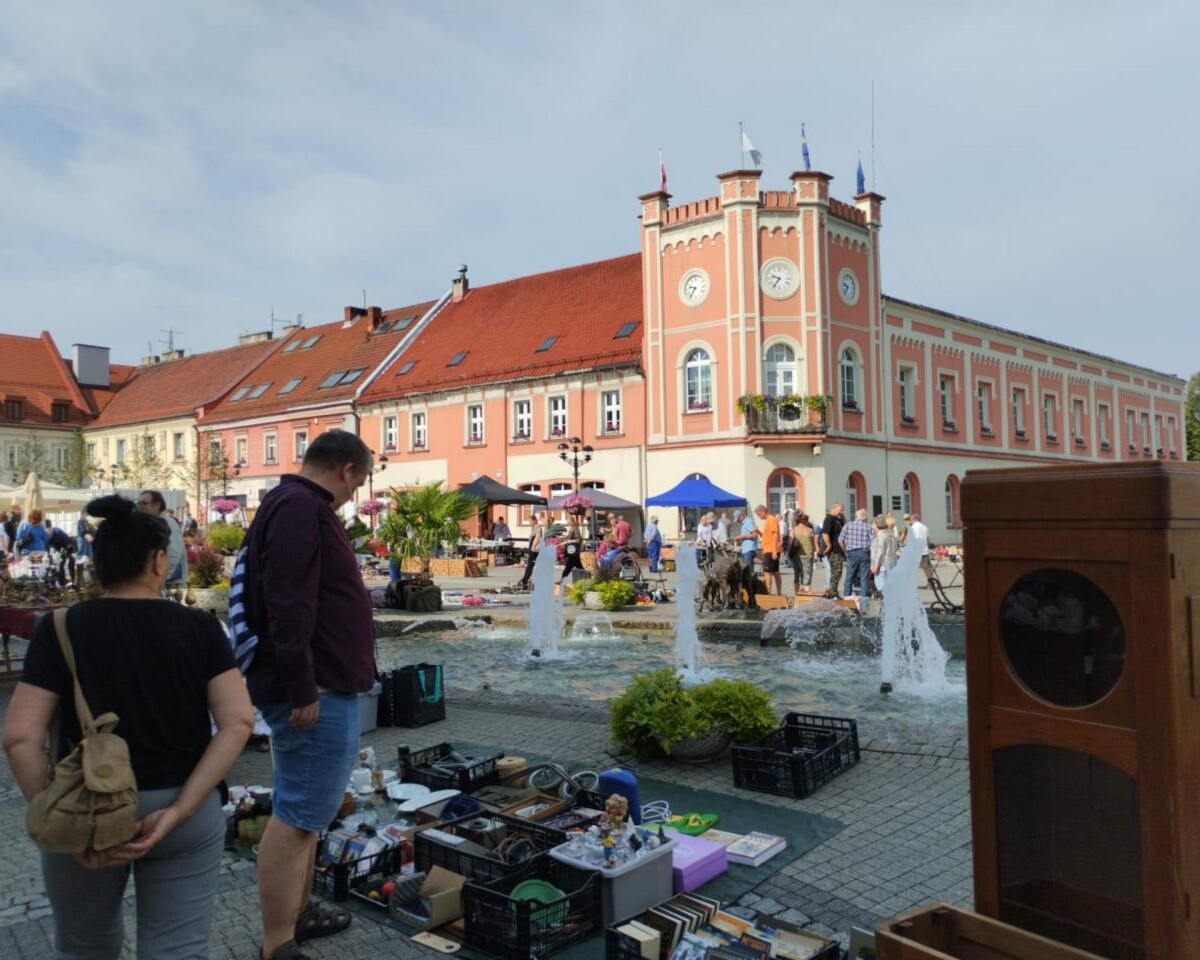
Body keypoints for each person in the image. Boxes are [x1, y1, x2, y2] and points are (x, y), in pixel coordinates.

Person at [2, 494, 253, 959]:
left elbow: (20, 737)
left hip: (88, 807)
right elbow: (238, 722)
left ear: (98, 564)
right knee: (177, 950)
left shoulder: (60, 628)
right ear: (159, 561)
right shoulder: (200, 627)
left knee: (85, 949)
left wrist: (55, 815)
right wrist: (180, 810)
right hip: (183, 805)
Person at [241, 430, 377, 960]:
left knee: (308, 810)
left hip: (316, 683)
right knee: (297, 816)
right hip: (312, 689)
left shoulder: (293, 503)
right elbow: (288, 601)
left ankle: (299, 911)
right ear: (345, 470)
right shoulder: (300, 507)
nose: (355, 495)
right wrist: (301, 685)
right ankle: (278, 942)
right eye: (358, 483)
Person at [137, 491, 188, 589]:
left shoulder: (168, 522)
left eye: (144, 503)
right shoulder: (150, 523)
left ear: (157, 505)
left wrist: (160, 578)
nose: (139, 507)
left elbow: (174, 554)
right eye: (138, 503)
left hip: (171, 584)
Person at [838, 507, 874, 598]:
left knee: (849, 577)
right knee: (864, 578)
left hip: (851, 553)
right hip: (864, 553)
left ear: (855, 516)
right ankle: (864, 601)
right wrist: (868, 549)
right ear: (865, 518)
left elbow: (840, 540)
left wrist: (845, 551)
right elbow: (874, 541)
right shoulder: (868, 526)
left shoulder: (848, 525)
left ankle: (847, 598)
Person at [818, 503, 846, 598]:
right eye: (840, 510)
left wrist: (842, 516)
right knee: (837, 571)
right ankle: (833, 592)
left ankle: (831, 591)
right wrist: (829, 545)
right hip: (834, 549)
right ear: (834, 508)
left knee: (837, 572)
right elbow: (825, 533)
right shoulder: (829, 519)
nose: (842, 512)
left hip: (839, 549)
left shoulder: (839, 519)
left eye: (843, 510)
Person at [732, 507, 759, 607]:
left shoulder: (749, 522)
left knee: (749, 574)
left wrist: (740, 537)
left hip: (749, 550)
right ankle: (750, 597)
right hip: (745, 549)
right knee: (746, 573)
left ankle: (752, 598)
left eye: (738, 519)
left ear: (741, 516)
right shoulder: (745, 524)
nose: (738, 522)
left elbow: (754, 536)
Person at [755, 505, 783, 595]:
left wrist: (774, 550)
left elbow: (775, 535)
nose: (759, 517)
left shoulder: (771, 519)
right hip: (770, 550)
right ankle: (778, 593)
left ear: (763, 511)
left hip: (771, 550)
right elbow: (767, 536)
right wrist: (758, 532)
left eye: (759, 515)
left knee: (767, 572)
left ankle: (768, 592)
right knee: (775, 571)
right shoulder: (768, 520)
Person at [870, 514, 899, 595]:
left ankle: (886, 606)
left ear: (877, 525)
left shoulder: (880, 535)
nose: (872, 526)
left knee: (882, 588)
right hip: (892, 565)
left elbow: (880, 552)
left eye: (873, 524)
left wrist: (876, 566)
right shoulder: (890, 534)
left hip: (882, 567)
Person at [517, 512, 544, 590]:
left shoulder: (537, 527)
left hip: (534, 549)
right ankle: (525, 579)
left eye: (530, 521)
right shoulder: (534, 527)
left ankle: (525, 580)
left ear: (534, 520)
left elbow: (537, 537)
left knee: (530, 565)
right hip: (533, 548)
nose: (529, 523)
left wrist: (533, 546)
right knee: (530, 565)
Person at [790, 512, 815, 595]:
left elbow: (790, 542)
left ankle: (797, 597)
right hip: (808, 555)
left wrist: (789, 552)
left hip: (796, 555)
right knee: (807, 578)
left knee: (796, 577)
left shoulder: (793, 529)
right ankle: (805, 598)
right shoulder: (811, 530)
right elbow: (813, 544)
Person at [558, 512, 586, 587]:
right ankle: (586, 579)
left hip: (573, 550)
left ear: (571, 521)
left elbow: (578, 539)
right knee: (578, 566)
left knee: (569, 566)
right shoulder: (573, 527)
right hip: (572, 551)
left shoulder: (575, 527)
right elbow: (568, 537)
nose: (568, 522)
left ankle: (562, 581)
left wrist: (569, 541)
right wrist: (560, 540)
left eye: (569, 521)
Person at [908, 512, 934, 581]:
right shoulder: (925, 527)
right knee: (927, 568)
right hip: (924, 551)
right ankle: (931, 584)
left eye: (910, 519)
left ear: (912, 519)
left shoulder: (912, 528)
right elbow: (928, 540)